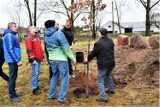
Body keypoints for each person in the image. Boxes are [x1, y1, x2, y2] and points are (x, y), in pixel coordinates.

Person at [44, 20, 76, 104]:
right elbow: (66, 47)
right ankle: (61, 98)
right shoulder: (59, 34)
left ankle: (51, 95)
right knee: (65, 77)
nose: (58, 25)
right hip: (61, 59)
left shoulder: (46, 35)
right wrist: (72, 57)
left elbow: (47, 48)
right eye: (56, 23)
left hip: (52, 59)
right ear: (53, 26)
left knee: (54, 76)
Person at [84, 28, 115, 102]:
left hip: (103, 64)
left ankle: (103, 97)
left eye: (98, 33)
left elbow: (93, 54)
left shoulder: (98, 43)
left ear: (101, 34)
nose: (98, 34)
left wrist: (87, 59)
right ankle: (111, 89)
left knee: (100, 81)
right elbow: (105, 48)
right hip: (111, 63)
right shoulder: (110, 41)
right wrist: (94, 49)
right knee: (108, 75)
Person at [3, 22, 23, 102]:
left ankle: (14, 93)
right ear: (10, 27)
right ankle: (12, 96)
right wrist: (17, 60)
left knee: (14, 77)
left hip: (13, 59)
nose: (16, 27)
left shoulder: (11, 35)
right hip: (12, 60)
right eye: (15, 26)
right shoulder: (9, 35)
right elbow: (10, 49)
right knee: (12, 78)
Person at [25, 26, 44, 95]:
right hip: (34, 59)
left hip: (39, 58)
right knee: (34, 74)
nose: (35, 29)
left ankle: (37, 85)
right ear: (30, 30)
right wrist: (32, 59)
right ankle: (34, 88)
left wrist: (42, 56)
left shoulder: (36, 37)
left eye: (35, 28)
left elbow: (39, 48)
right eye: (34, 28)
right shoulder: (29, 38)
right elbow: (29, 50)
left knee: (38, 72)